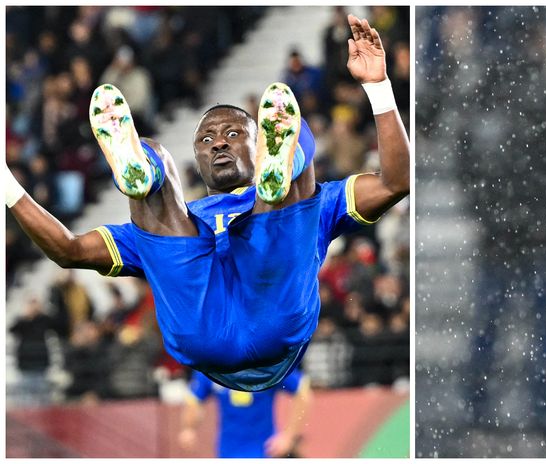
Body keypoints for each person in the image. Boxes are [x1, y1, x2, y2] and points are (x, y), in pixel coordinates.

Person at [4, 14, 409, 393]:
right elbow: (69, 249)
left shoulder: (314, 204)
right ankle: (145, 168)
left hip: (231, 327)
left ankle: (278, 166)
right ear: (198, 159)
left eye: (234, 133)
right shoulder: (183, 219)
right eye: (206, 138)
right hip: (243, 325)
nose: (218, 141)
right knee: (158, 159)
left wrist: (377, 85)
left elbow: (396, 181)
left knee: (295, 169)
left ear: (257, 143)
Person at [178, 369, 312, 458]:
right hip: (227, 450)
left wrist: (289, 436)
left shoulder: (269, 363)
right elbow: (194, 399)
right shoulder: (213, 365)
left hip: (265, 450)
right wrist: (188, 428)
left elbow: (303, 392)